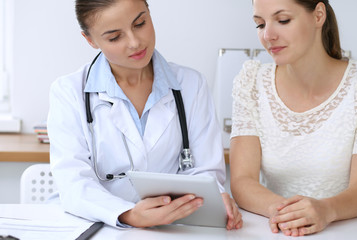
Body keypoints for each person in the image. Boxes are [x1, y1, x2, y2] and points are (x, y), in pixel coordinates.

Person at [47, 0, 242, 230]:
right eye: (114, 37)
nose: (135, 42)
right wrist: (128, 214)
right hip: (95, 227)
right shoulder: (69, 92)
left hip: (170, 229)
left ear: (149, 13)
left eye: (140, 23)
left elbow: (205, 172)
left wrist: (216, 199)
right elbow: (72, 182)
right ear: (90, 40)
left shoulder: (191, 85)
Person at [229, 0, 357, 237]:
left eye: (283, 20)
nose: (268, 35)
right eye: (260, 24)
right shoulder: (251, 80)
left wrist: (325, 210)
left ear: (318, 16)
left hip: (345, 232)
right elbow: (243, 181)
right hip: (279, 231)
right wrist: (287, 214)